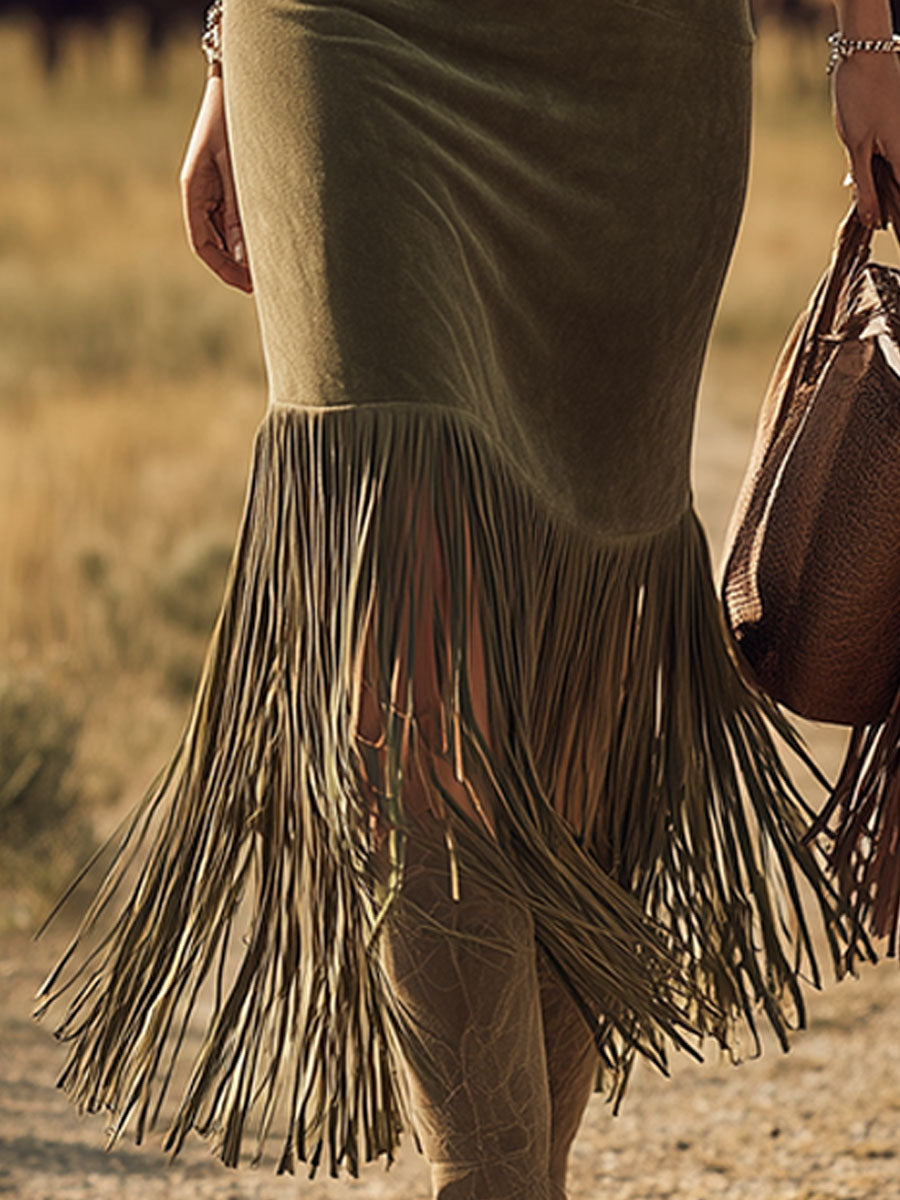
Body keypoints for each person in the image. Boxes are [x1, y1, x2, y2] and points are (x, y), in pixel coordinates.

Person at [37, 2, 900, 1198]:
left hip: (638, 59)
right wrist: (231, 45)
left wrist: (866, 37)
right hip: (342, 36)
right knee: (403, 664)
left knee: (577, 664)